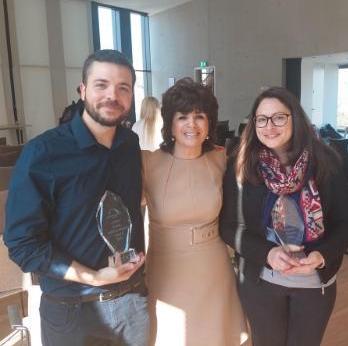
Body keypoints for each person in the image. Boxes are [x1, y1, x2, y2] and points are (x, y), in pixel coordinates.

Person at [4, 49, 149, 346]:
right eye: (101, 85)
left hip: (133, 301)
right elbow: (23, 244)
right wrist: (93, 277)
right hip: (72, 310)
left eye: (123, 88)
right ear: (83, 90)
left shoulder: (130, 144)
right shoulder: (44, 153)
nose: (113, 95)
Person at [220, 87, 348, 346]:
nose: (269, 126)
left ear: (295, 118)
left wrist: (322, 255)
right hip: (260, 282)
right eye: (262, 119)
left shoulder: (326, 162)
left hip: (314, 284)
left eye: (279, 117)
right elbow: (229, 227)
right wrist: (268, 254)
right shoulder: (241, 166)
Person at [142, 78, 249, 346]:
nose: (192, 124)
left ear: (209, 123)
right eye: (183, 117)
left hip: (213, 266)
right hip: (166, 269)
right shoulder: (147, 162)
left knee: (216, 334)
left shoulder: (222, 160)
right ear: (170, 124)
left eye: (200, 116)